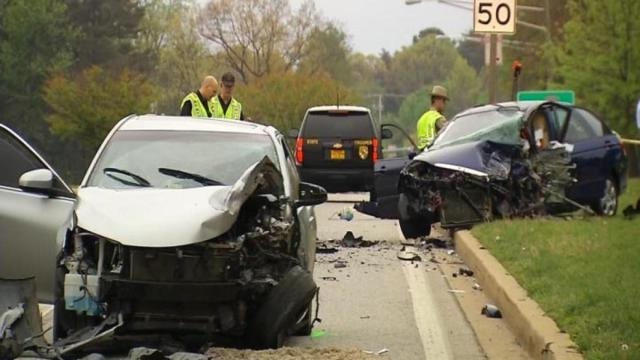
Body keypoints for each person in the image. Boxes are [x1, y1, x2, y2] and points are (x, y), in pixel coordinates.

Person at [416, 85, 449, 151]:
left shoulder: (421, 119)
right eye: (444, 101)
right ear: (437, 100)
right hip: (435, 153)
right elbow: (449, 134)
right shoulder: (438, 118)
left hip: (423, 156)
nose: (445, 104)